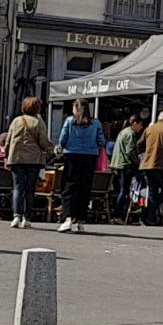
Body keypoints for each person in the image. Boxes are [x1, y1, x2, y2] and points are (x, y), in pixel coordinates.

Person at [55, 97, 103, 234]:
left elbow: (62, 139)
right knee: (84, 188)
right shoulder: (96, 123)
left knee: (69, 187)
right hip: (90, 157)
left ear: (75, 108)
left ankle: (68, 218)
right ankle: (80, 220)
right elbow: (101, 141)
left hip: (72, 156)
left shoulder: (70, 121)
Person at [5, 96, 53, 229]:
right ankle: (27, 217)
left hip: (16, 158)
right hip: (33, 159)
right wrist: (50, 149)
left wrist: (6, 157)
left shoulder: (16, 121)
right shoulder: (38, 122)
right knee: (30, 189)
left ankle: (16, 216)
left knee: (17, 187)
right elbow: (43, 142)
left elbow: (8, 140)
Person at [139, 110, 163, 225]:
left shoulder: (149, 129)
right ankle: (150, 211)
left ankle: (150, 217)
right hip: (161, 166)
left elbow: (139, 144)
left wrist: (144, 155)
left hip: (147, 165)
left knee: (152, 190)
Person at [109, 116, 144, 222]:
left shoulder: (123, 132)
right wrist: (138, 163)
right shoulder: (130, 134)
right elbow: (130, 151)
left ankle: (118, 214)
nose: (141, 128)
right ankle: (118, 215)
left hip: (118, 164)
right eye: (140, 125)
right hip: (125, 165)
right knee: (124, 191)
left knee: (121, 190)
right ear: (134, 123)